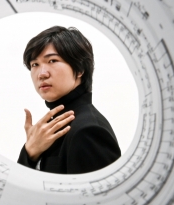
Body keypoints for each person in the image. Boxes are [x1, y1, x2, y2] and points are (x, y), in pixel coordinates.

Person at [17, 26, 120, 174]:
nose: (41, 74)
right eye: (35, 64)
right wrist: (30, 152)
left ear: (79, 69)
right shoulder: (53, 126)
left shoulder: (88, 131)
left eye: (52, 60)